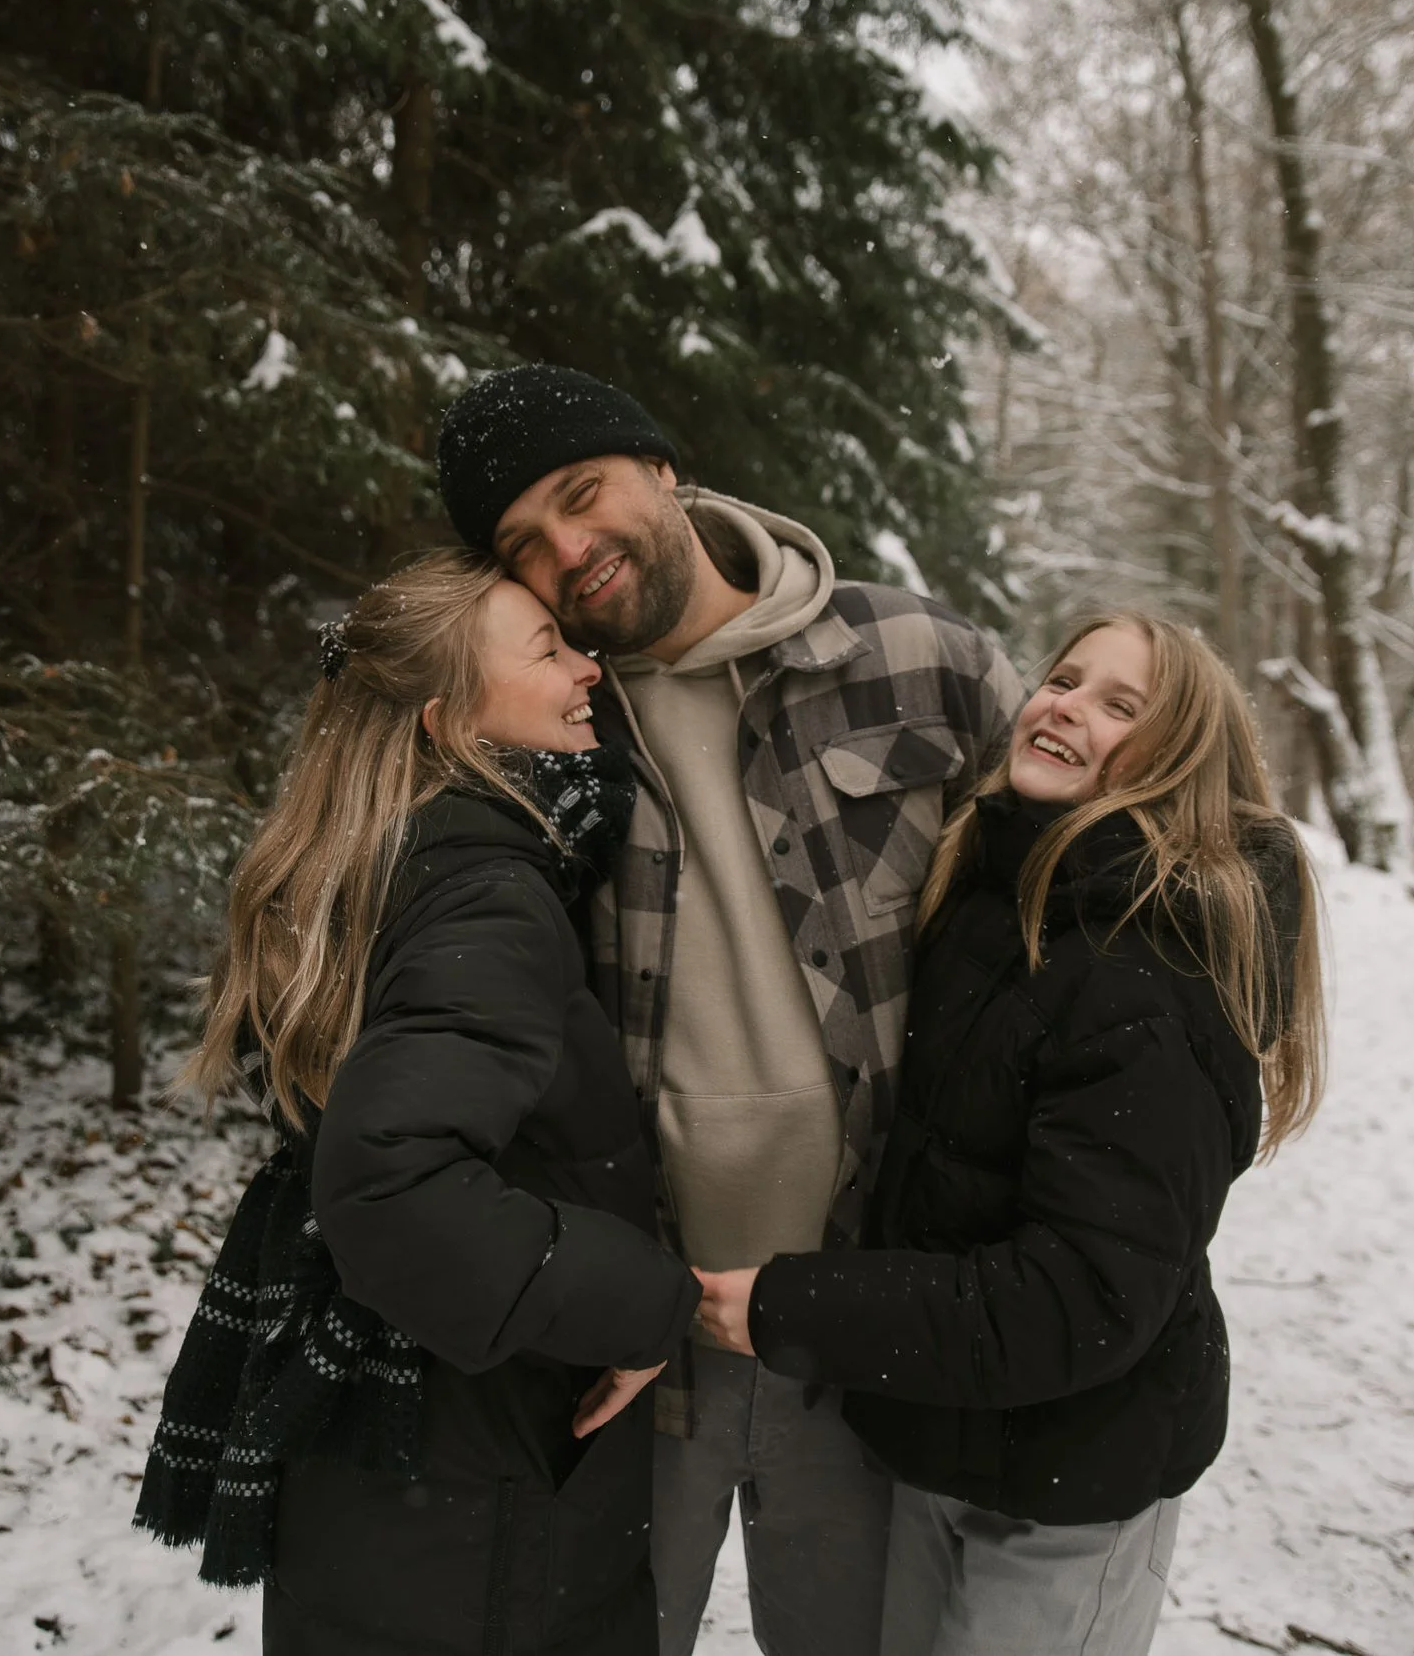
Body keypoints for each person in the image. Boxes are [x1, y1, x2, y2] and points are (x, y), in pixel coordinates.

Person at [433, 365, 1024, 1656]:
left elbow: (1088, 878)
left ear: (661, 468)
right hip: (632, 1340)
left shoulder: (919, 662)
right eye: (525, 545)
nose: (568, 553)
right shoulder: (547, 722)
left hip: (860, 1322)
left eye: (582, 496)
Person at [694, 611, 1328, 1656]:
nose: (1067, 704)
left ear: (1179, 762)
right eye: (1064, 678)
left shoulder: (1146, 966)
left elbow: (1078, 1295)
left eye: (1120, 705)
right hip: (943, 1438)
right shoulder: (995, 887)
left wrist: (789, 1305)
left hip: (1070, 1490)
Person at [135, 554, 701, 1656]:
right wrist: (640, 1299)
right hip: (474, 1463)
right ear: (447, 725)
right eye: (548, 649)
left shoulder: (379, 858)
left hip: (389, 1445)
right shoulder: (486, 889)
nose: (591, 668)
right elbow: (391, 1181)